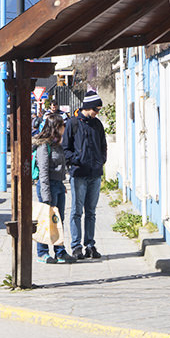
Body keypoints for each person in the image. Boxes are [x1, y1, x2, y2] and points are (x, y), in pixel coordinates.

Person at [63, 89, 108, 260]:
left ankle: (90, 244)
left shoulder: (97, 124)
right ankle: (76, 246)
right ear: (88, 107)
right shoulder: (73, 124)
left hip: (95, 173)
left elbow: (103, 145)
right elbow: (65, 148)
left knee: (91, 211)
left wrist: (101, 160)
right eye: (96, 109)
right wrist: (77, 160)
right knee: (76, 211)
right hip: (79, 173)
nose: (97, 113)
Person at [34, 107, 73, 264]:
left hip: (58, 185)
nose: (65, 128)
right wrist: (46, 194)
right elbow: (43, 172)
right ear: (55, 128)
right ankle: (42, 252)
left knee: (58, 220)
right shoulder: (44, 146)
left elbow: (61, 166)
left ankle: (60, 252)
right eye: (62, 125)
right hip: (47, 186)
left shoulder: (58, 145)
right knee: (45, 220)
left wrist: (61, 184)